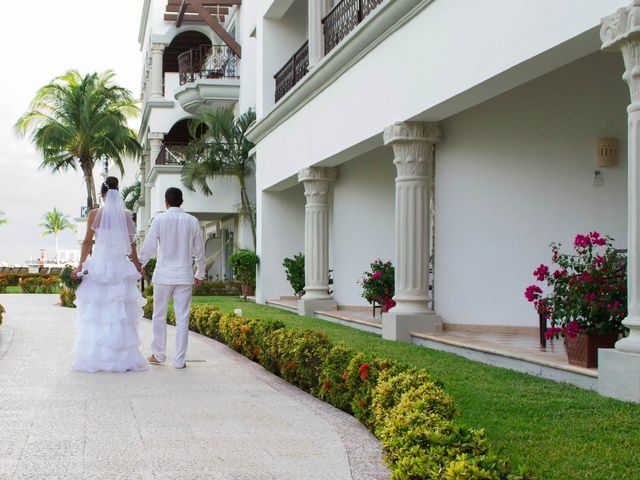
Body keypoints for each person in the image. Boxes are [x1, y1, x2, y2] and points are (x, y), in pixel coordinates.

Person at [71, 176, 147, 373]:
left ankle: (96, 356)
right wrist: (138, 265)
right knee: (118, 311)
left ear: (102, 193)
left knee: (97, 310)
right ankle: (122, 357)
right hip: (119, 267)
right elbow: (131, 245)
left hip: (100, 265)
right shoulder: (126, 215)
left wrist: (80, 265)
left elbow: (87, 242)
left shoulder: (95, 213)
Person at [138, 187, 205, 369]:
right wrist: (200, 272)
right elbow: (199, 250)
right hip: (184, 275)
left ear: (166, 202)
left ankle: (159, 355)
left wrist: (139, 265)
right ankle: (179, 360)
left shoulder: (159, 219)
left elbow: (149, 246)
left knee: (159, 315)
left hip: (164, 275)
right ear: (181, 201)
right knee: (183, 318)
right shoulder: (192, 221)